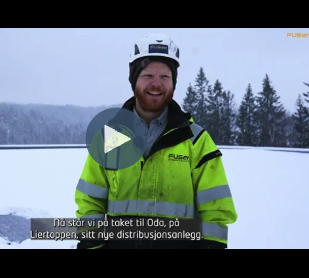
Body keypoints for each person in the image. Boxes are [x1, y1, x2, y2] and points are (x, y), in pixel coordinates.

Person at [75, 33, 238, 249]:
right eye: (148, 75)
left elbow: (216, 211)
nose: (156, 84)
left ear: (173, 82)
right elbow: (89, 201)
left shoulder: (197, 141)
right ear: (134, 80)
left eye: (165, 77)